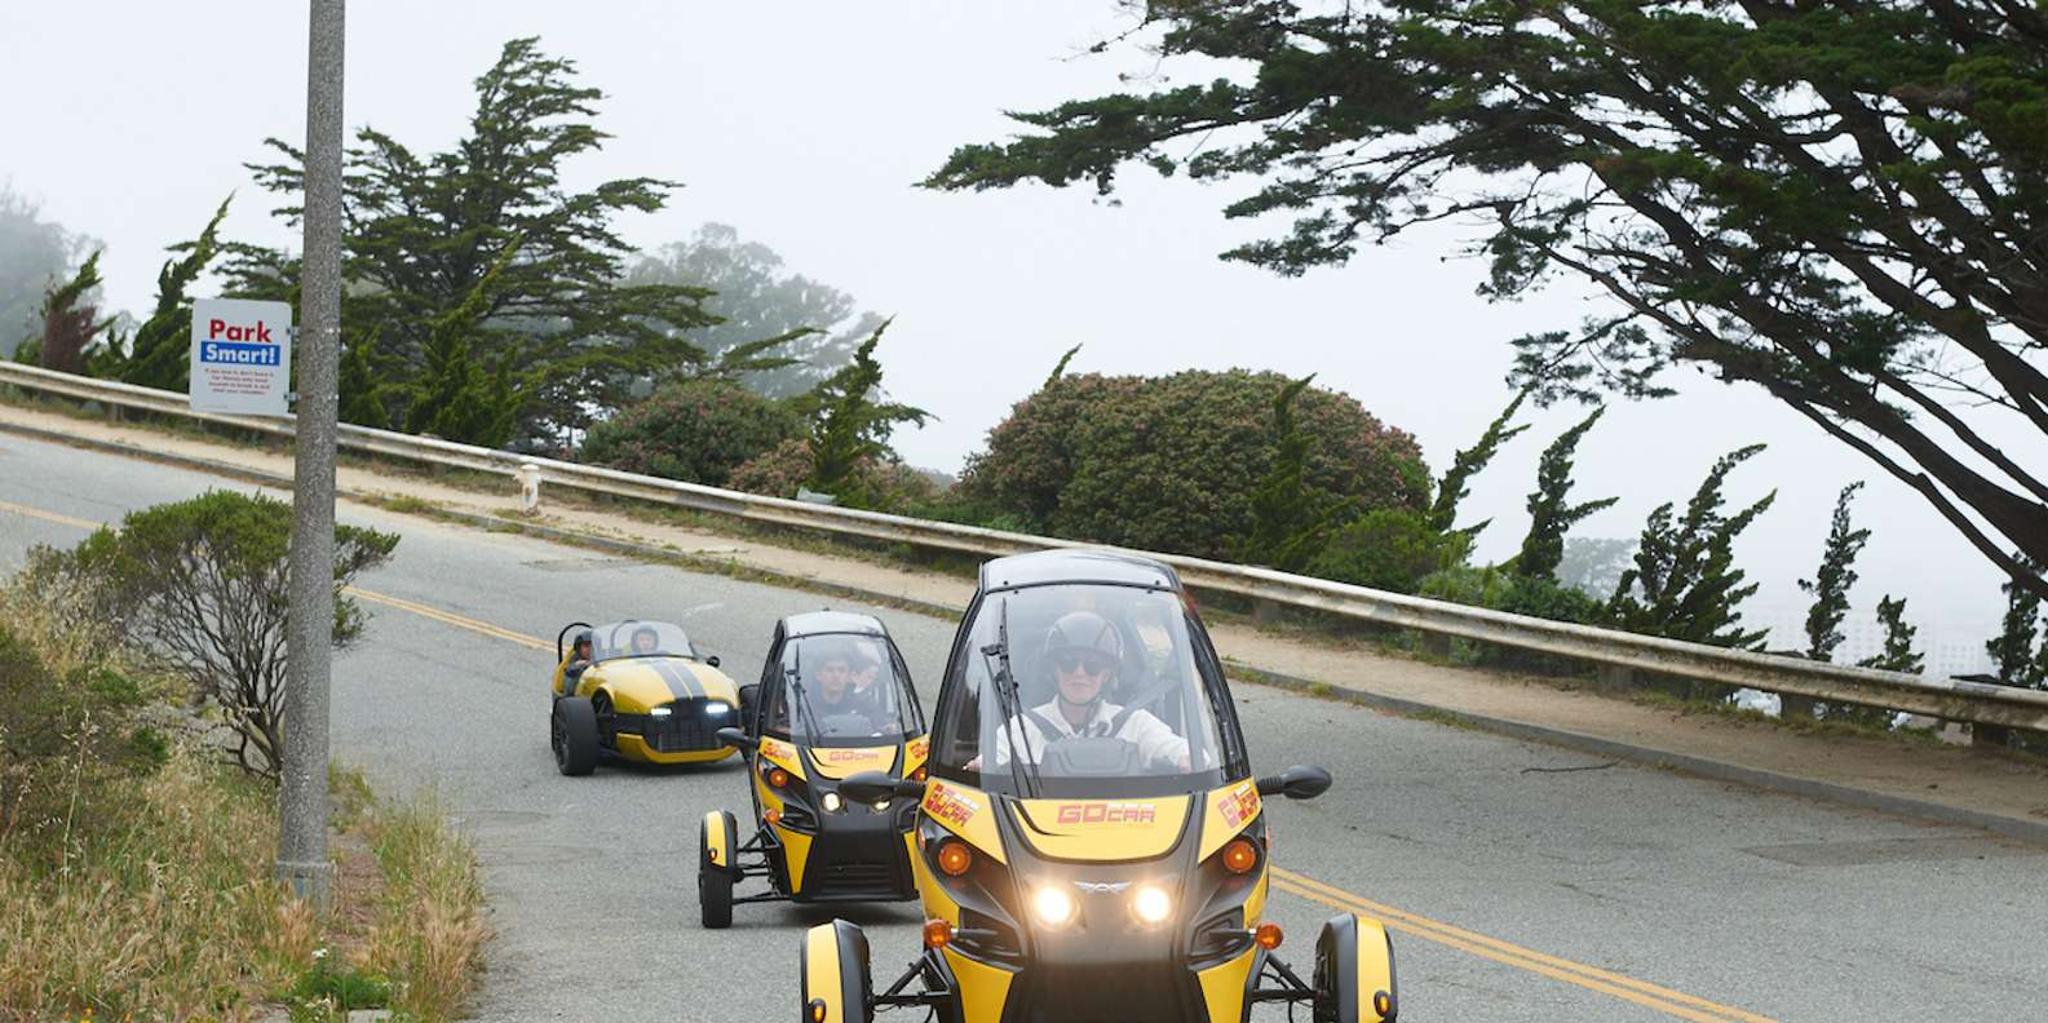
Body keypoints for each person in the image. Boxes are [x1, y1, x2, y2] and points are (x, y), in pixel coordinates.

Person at [971, 610, 1189, 773]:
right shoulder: (1024, 727)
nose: (1079, 673)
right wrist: (979, 768)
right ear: (1054, 670)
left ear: (1107, 675)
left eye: (1093, 665)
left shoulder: (1136, 724)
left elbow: (1186, 753)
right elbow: (991, 760)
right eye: (1068, 663)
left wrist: (1186, 759)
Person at [560, 631, 594, 696]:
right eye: (586, 646)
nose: (590, 649)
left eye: (592, 646)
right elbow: (570, 670)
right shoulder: (575, 661)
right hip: (576, 698)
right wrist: (577, 666)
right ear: (579, 648)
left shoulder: (602, 658)